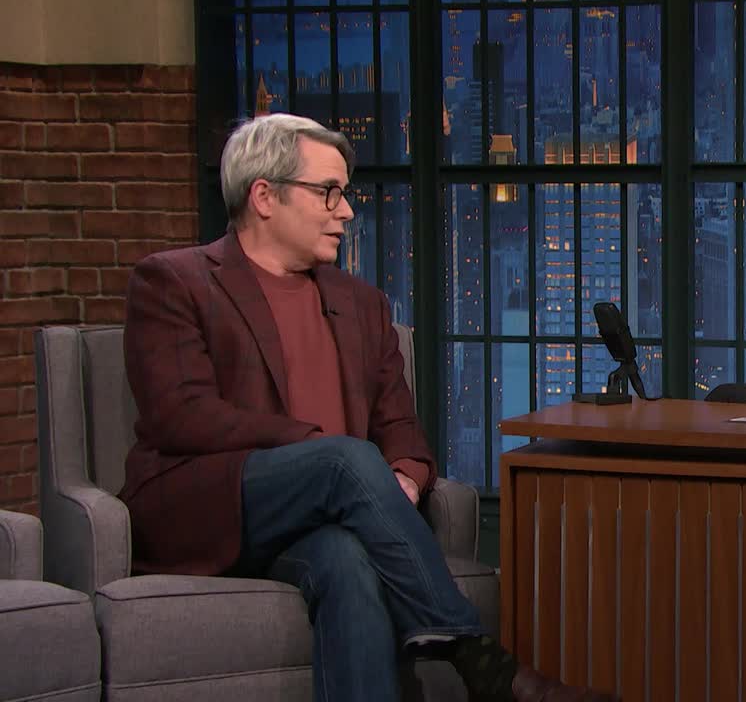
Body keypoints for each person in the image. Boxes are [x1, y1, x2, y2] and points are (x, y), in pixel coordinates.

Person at [120, 113, 614, 702]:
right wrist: (327, 454)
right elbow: (180, 414)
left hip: (331, 523)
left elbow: (401, 429)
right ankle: (482, 662)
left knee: (346, 562)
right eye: (328, 192)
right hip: (214, 506)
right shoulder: (175, 281)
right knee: (344, 461)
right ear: (264, 196)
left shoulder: (363, 305)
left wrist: (400, 478)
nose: (348, 211)